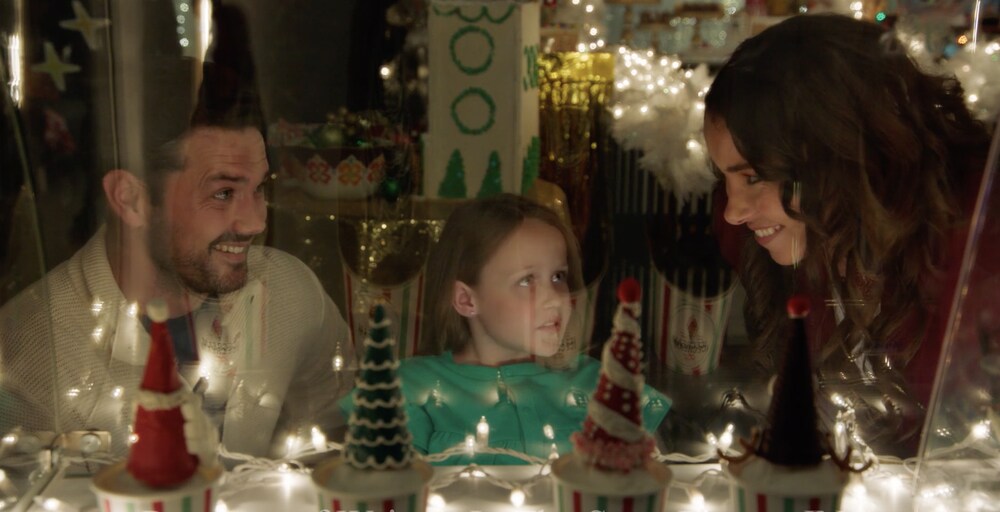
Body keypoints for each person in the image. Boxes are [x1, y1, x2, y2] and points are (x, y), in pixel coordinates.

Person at [0, 5, 353, 459]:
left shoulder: (290, 292)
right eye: (223, 193)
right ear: (130, 199)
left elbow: (342, 437)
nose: (255, 222)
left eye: (259, 189)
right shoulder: (28, 356)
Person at [704, 14, 993, 454]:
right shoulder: (788, 248)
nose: (733, 211)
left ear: (838, 154)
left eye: (754, 177)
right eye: (724, 178)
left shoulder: (974, 253)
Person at [341, 193, 670, 464]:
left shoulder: (603, 386)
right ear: (466, 300)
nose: (556, 298)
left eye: (558, 276)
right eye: (527, 280)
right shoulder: (408, 390)